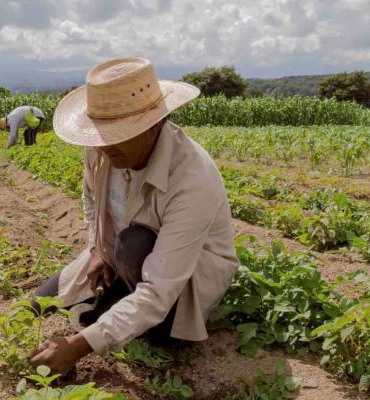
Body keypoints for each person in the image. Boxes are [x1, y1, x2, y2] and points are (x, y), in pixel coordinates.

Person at [28, 57, 239, 374]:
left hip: (179, 281)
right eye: (100, 134)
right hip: (119, 256)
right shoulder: (99, 148)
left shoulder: (192, 180)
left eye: (117, 134)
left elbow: (158, 292)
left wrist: (78, 346)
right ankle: (117, 298)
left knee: (134, 244)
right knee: (37, 302)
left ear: (153, 125)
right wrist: (96, 248)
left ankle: (152, 328)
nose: (103, 145)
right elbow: (89, 196)